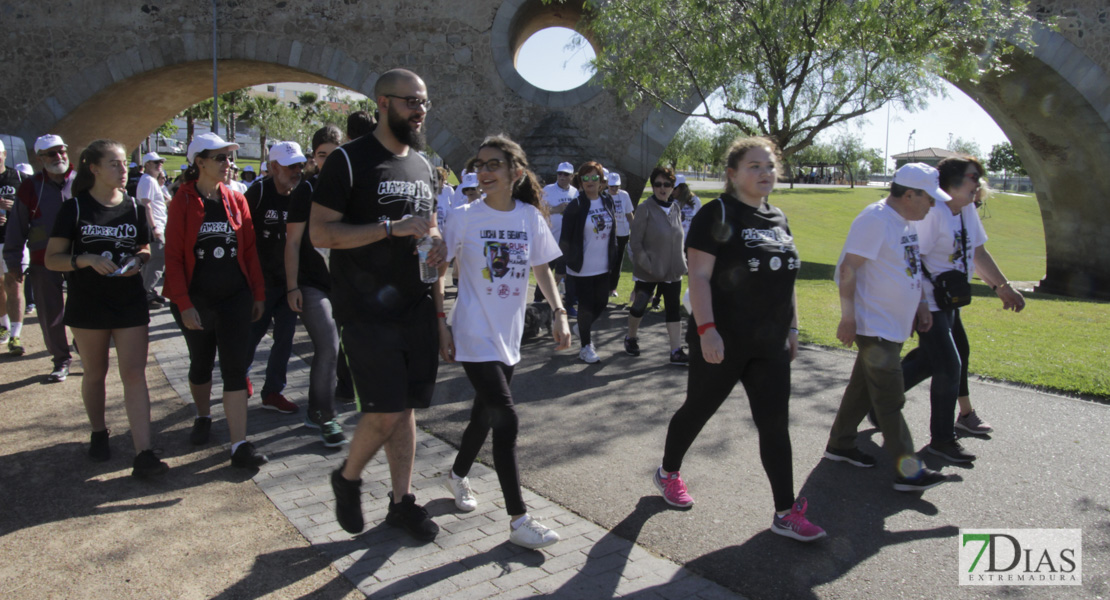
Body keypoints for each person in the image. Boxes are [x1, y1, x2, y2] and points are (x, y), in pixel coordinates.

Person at [654, 138, 824, 542]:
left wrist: (793, 328)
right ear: (732, 174)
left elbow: (787, 279)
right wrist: (706, 329)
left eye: (769, 166)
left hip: (770, 344)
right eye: (753, 166)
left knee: (774, 425)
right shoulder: (717, 212)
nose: (765, 172)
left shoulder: (779, 217)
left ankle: (785, 512)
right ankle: (668, 472)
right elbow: (697, 276)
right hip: (723, 339)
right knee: (697, 410)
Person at [312, 68, 447, 540]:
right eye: (411, 101)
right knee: (386, 409)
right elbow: (321, 232)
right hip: (364, 310)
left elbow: (427, 230)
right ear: (384, 103)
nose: (420, 110)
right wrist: (390, 229)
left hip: (414, 307)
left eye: (424, 102)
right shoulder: (348, 162)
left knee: (406, 407)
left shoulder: (424, 166)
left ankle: (401, 502)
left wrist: (437, 254)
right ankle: (347, 478)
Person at [440, 134, 570, 549]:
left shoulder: (530, 217)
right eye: (479, 164)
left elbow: (542, 268)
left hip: (509, 334)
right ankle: (519, 522)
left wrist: (559, 311)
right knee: (507, 419)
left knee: (484, 416)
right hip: (473, 332)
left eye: (493, 164)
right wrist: (439, 321)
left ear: (515, 172)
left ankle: (458, 475)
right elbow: (434, 270)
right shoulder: (463, 216)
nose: (484, 171)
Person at [43, 139, 169, 478]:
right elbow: (51, 259)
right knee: (95, 373)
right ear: (93, 168)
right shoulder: (75, 208)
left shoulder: (132, 205)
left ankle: (144, 453)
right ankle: (99, 432)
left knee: (134, 374)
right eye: (114, 163)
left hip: (128, 301)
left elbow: (144, 247)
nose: (123, 169)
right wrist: (83, 258)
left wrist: (137, 259)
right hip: (88, 304)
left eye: (124, 163)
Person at [823, 162, 949, 492]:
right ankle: (909, 472)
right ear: (909, 194)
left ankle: (840, 443)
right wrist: (848, 317)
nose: (933, 205)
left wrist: (919, 304)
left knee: (861, 390)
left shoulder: (905, 221)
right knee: (891, 400)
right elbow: (849, 269)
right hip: (874, 326)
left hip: (891, 326)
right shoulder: (875, 220)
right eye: (929, 198)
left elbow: (909, 268)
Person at [900, 156, 1026, 453]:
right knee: (948, 363)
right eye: (973, 177)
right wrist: (914, 305)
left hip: (948, 299)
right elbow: (911, 259)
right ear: (950, 183)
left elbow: (978, 252)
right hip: (928, 301)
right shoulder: (933, 214)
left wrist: (1003, 287)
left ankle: (879, 401)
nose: (979, 183)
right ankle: (942, 439)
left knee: (943, 357)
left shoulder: (966, 210)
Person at [163, 132, 269, 468]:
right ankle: (203, 415)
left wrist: (258, 294)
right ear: (201, 162)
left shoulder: (236, 199)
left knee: (235, 369)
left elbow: (249, 251)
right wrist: (183, 302)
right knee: (201, 364)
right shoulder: (182, 201)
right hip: (197, 299)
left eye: (230, 157)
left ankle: (239, 445)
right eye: (221, 158)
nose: (229, 164)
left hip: (234, 297)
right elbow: (174, 257)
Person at [285, 126, 348, 447]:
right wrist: (292, 286)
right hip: (311, 285)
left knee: (343, 349)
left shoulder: (350, 188)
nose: (329, 160)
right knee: (328, 345)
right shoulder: (305, 192)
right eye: (323, 154)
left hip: (344, 284)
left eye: (335, 153)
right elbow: (293, 242)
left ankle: (315, 409)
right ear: (314, 158)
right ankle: (326, 415)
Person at [4, 134, 74, 381]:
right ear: (40, 158)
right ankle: (61, 360)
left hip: (80, 259)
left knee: (85, 307)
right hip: (43, 259)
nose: (59, 157)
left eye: (61, 151)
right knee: (50, 312)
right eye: (51, 153)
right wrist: (13, 260)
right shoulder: (30, 186)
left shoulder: (83, 181)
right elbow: (17, 225)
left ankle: (86, 350)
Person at [244, 141, 305, 414]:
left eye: (300, 165)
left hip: (289, 283)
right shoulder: (256, 193)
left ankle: (273, 392)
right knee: (252, 335)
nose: (297, 171)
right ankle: (238, 376)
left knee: (285, 337)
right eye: (291, 166)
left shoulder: (300, 195)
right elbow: (240, 237)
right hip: (259, 283)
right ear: (273, 167)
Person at [624, 166, 688, 365]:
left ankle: (676, 351)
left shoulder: (676, 207)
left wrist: (682, 261)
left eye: (667, 184)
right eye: (658, 184)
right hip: (648, 271)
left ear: (672, 187)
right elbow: (635, 242)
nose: (662, 188)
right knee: (640, 307)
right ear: (653, 186)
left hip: (672, 271)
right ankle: (631, 337)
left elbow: (678, 237)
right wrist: (647, 265)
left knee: (673, 309)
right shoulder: (644, 209)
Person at [559, 161, 617, 364]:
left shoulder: (607, 201)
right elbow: (564, 239)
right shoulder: (575, 206)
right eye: (585, 177)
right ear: (580, 181)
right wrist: (564, 265)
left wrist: (614, 260)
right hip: (581, 268)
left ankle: (580, 328)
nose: (590, 181)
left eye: (594, 177)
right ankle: (585, 347)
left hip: (602, 266)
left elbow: (612, 234)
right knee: (585, 307)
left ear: (601, 181)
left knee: (601, 303)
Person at [0, 139, 31, 352]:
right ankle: (3, 326)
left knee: (14, 284)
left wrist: (14, 209)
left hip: (14, 241)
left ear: (3, 155)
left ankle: (15, 336)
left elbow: (35, 208)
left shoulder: (20, 178)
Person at [538, 162, 578, 311]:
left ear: (571, 177)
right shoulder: (548, 190)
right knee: (545, 272)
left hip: (566, 241)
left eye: (565, 174)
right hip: (549, 239)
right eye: (559, 174)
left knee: (563, 275)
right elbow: (538, 211)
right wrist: (557, 209)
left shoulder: (575, 192)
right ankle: (538, 300)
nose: (562, 177)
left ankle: (563, 304)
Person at [137, 152, 169, 309]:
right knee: (158, 260)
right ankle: (145, 292)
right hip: (154, 227)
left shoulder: (151, 181)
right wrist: (155, 228)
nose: (159, 165)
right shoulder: (148, 180)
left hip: (157, 225)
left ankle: (146, 291)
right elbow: (146, 205)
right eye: (156, 163)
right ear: (147, 165)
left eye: (160, 162)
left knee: (152, 261)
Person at [607, 172, 635, 296]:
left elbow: (629, 214)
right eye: (611, 186)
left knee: (618, 261)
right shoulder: (603, 196)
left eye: (616, 186)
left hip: (622, 233)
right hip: (608, 233)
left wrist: (634, 229)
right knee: (608, 261)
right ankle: (604, 285)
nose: (614, 189)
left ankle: (613, 288)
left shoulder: (624, 195)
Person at [675, 174, 701, 239]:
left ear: (682, 187)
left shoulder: (695, 200)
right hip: (675, 242)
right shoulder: (670, 201)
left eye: (675, 188)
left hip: (690, 241)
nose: (672, 190)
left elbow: (699, 221)